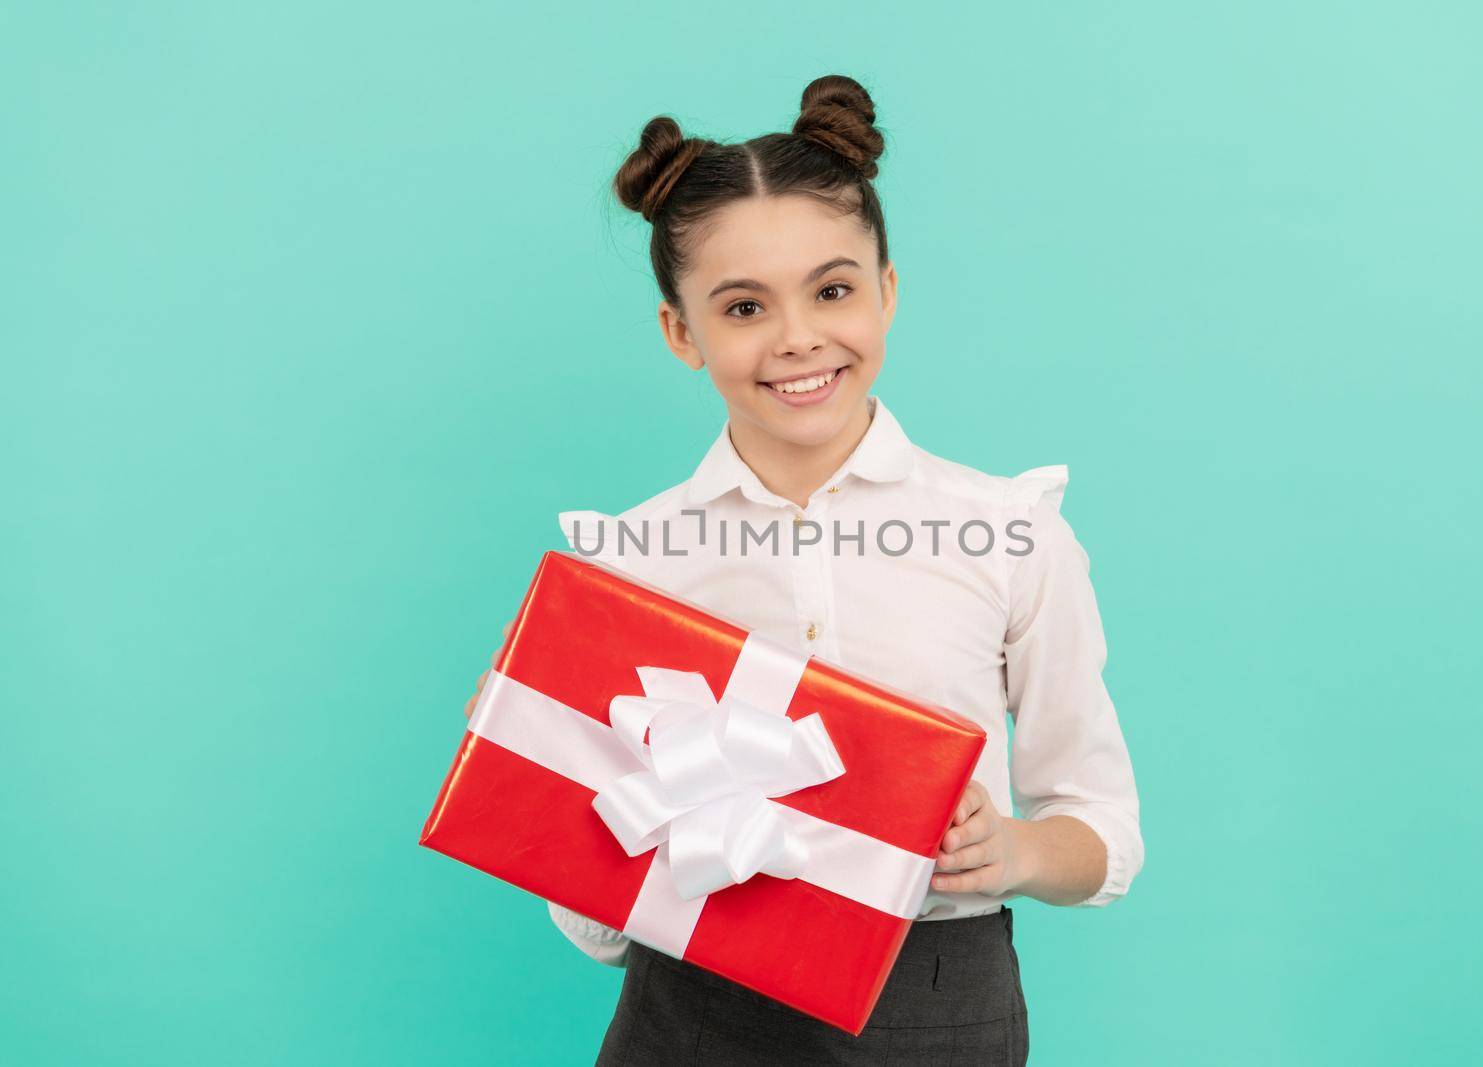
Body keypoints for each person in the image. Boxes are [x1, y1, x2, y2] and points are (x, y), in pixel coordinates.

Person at [464, 73, 1143, 1065]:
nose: (796, 337)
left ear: (887, 290)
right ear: (681, 333)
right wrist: (541, 765)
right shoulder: (624, 566)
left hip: (941, 994)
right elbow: (603, 933)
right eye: (743, 306)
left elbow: (1101, 827)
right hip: (693, 1005)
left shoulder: (1010, 532)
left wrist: (1019, 848)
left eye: (832, 289)